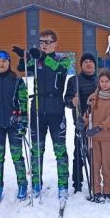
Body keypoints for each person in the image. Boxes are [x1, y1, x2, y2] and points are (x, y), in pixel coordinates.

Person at [14, 30, 74, 202]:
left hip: (56, 111)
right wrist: (23, 56)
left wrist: (41, 56)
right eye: (41, 42)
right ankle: (36, 182)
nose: (44, 45)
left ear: (55, 43)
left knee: (60, 150)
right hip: (38, 110)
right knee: (37, 150)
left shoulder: (63, 60)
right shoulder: (36, 60)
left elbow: (59, 69)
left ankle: (63, 185)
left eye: (48, 42)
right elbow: (21, 68)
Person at [0, 51, 29, 202]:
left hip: (14, 123)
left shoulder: (16, 80)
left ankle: (22, 184)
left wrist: (24, 122)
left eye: (4, 61)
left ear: (9, 62)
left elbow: (23, 102)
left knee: (17, 156)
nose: (1, 63)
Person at [85, 70, 110, 203]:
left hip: (108, 135)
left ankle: (107, 190)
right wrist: (82, 122)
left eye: (107, 81)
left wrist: (100, 127)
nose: (104, 84)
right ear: (99, 83)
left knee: (107, 165)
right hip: (94, 136)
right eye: (102, 81)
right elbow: (88, 115)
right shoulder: (93, 97)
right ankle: (96, 190)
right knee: (95, 165)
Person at [64, 52, 99, 194]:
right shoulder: (74, 80)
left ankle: (96, 181)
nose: (88, 64)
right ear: (81, 65)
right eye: (85, 62)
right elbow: (66, 100)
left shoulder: (100, 80)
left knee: (95, 155)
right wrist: (72, 102)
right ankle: (77, 183)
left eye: (91, 61)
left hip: (97, 124)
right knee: (79, 153)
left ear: (95, 65)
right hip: (80, 123)